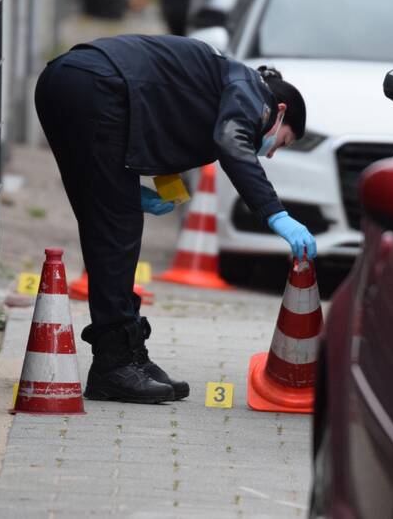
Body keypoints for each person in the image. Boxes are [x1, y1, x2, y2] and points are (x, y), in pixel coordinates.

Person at [34, 34, 317, 404]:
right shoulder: (252, 90)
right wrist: (275, 214)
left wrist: (129, 188)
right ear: (278, 111)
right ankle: (114, 364)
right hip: (98, 85)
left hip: (65, 79)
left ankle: (128, 352)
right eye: (282, 141)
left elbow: (162, 116)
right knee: (118, 230)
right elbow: (233, 142)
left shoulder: (217, 80)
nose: (272, 153)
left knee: (106, 217)